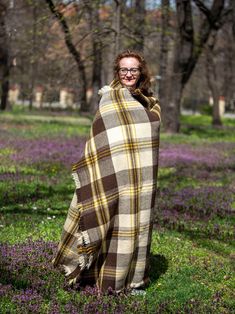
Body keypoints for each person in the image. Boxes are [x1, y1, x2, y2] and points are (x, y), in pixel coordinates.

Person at [53, 50, 161, 294]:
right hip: (111, 174)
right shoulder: (109, 99)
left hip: (140, 180)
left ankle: (131, 280)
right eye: (124, 69)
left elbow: (148, 141)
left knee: (135, 224)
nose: (128, 74)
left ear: (141, 72)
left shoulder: (151, 104)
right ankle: (90, 275)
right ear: (118, 71)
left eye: (133, 69)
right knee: (104, 219)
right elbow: (100, 140)